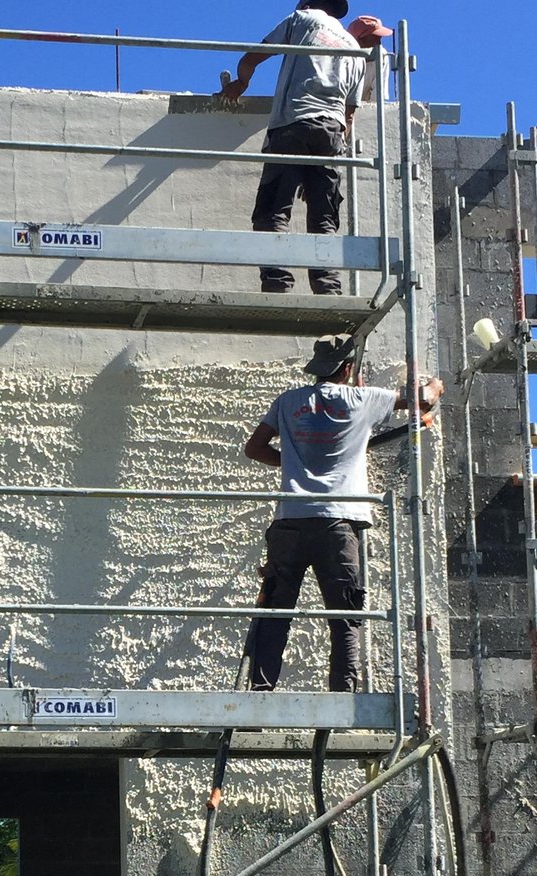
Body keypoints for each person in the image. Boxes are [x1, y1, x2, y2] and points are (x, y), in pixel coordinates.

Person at [242, 334, 443, 692]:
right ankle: (342, 698)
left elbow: (254, 448)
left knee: (275, 612)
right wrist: (434, 384)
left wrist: (292, 463)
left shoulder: (288, 401)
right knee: (345, 617)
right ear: (348, 369)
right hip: (337, 525)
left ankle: (260, 692)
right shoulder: (363, 399)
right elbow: (422, 403)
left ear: (318, 370)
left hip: (290, 521)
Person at [218, 1, 365, 295]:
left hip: (293, 123)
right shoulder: (355, 48)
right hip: (332, 133)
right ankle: (328, 290)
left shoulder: (303, 19)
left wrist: (241, 83)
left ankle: (276, 284)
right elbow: (349, 117)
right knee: (323, 218)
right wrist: (317, 163)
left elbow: (253, 57)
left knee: (273, 211)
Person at [347, 14, 393, 104]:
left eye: (379, 38)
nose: (379, 43)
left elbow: (377, 99)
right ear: (359, 40)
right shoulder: (341, 58)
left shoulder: (381, 56)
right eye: (374, 38)